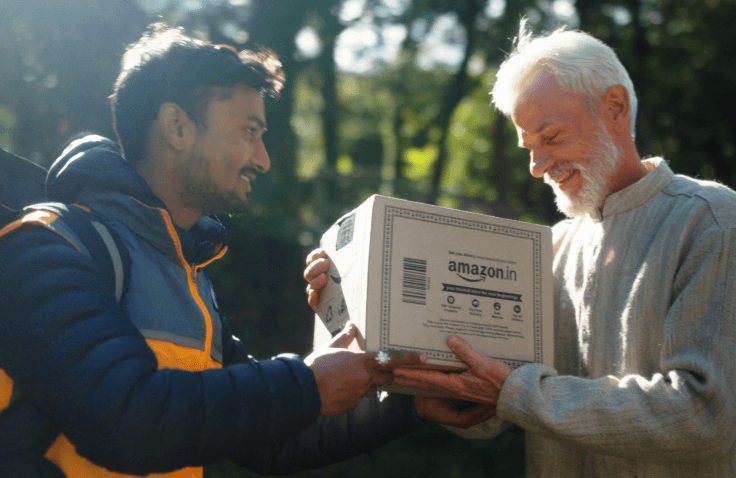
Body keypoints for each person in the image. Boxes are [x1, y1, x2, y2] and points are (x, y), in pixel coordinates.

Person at [308, 19, 736, 477]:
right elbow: (492, 416)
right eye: (527, 147)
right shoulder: (545, 249)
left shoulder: (711, 219)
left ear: (615, 106)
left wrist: (516, 391)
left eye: (549, 137)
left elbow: (703, 416)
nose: (537, 167)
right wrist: (347, 304)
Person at [0, 23, 425, 478]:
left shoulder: (190, 278)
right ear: (177, 127)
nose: (262, 159)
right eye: (248, 130)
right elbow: (125, 418)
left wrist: (411, 407)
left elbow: (272, 436)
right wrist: (305, 384)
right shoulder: (47, 244)